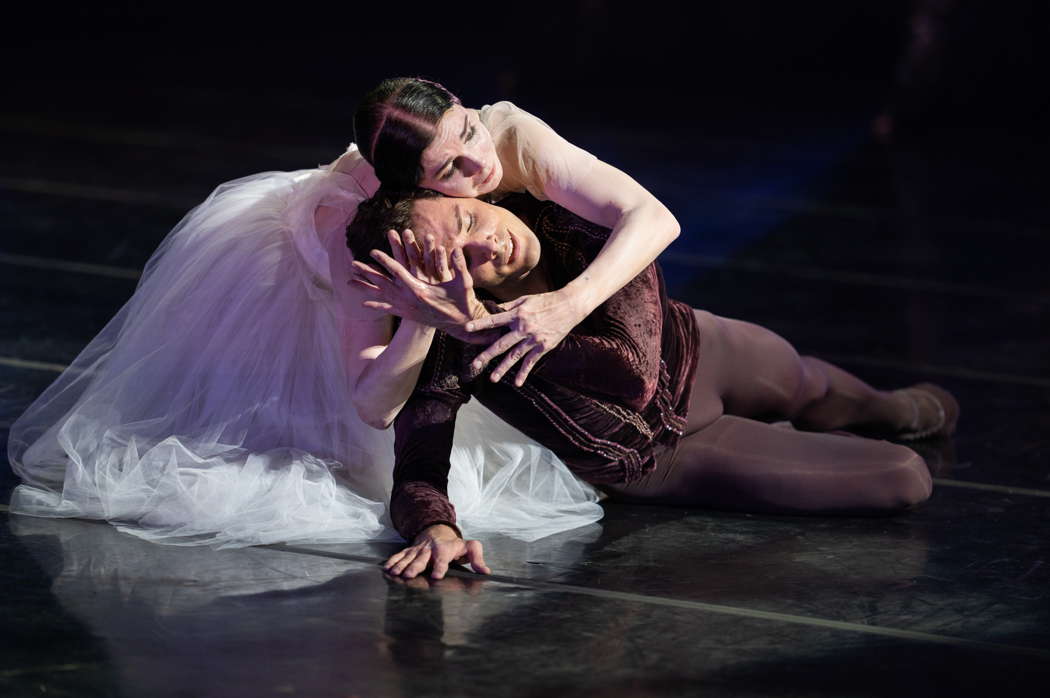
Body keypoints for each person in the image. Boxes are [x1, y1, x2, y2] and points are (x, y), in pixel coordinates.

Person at [346, 190, 959, 581]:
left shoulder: (567, 222)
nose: (487, 240)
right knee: (905, 477)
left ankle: (886, 406)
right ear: (429, 287)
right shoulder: (449, 341)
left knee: (811, 387)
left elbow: (632, 376)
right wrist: (437, 529)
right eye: (460, 259)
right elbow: (420, 462)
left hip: (702, 353)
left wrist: (484, 326)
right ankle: (800, 436)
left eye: (468, 217)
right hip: (659, 456)